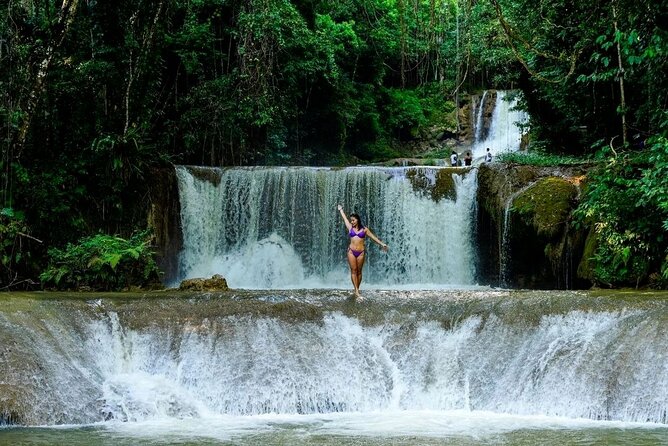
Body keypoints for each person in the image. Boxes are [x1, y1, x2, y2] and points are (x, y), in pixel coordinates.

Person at [336, 204, 388, 298]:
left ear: (358, 220)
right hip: (351, 251)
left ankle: (357, 289)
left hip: (361, 252)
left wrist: (382, 244)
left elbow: (373, 238)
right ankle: (356, 291)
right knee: (353, 270)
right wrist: (341, 210)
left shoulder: (364, 230)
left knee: (359, 271)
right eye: (351, 220)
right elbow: (344, 219)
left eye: (353, 220)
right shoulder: (350, 227)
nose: (352, 222)